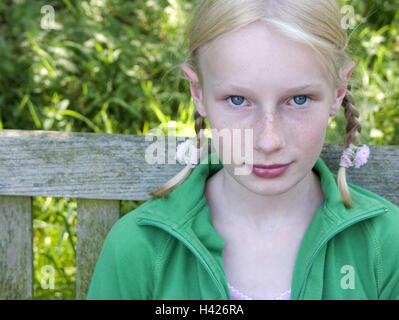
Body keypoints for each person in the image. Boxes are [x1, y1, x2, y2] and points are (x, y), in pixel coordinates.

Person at [87, 0, 399, 300]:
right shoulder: (141, 248)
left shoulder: (386, 246)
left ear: (337, 93)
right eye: (238, 100)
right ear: (198, 93)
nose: (268, 141)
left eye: (299, 99)